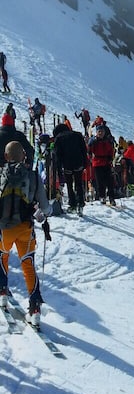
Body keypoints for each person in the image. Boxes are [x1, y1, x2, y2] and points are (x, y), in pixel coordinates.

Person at [0, 141, 49, 319]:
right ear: (23, 155)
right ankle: (35, 306)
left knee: (2, 255)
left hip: (4, 228)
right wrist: (44, 215)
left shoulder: (1, 174)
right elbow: (45, 207)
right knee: (28, 264)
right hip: (25, 228)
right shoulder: (33, 176)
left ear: (6, 156)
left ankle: (2, 291)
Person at [48, 123, 85, 215]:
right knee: (79, 183)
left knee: (69, 185)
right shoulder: (78, 135)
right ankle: (80, 203)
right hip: (78, 163)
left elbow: (58, 155)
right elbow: (84, 149)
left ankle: (72, 205)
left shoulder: (58, 138)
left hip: (67, 164)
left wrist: (59, 168)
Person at [86, 120, 116, 208]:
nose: (101, 133)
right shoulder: (94, 141)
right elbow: (89, 151)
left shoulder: (107, 140)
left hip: (106, 162)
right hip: (97, 162)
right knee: (100, 181)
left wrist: (111, 158)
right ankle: (102, 196)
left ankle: (111, 198)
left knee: (110, 181)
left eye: (102, 131)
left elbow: (111, 150)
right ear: (97, 132)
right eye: (99, 131)